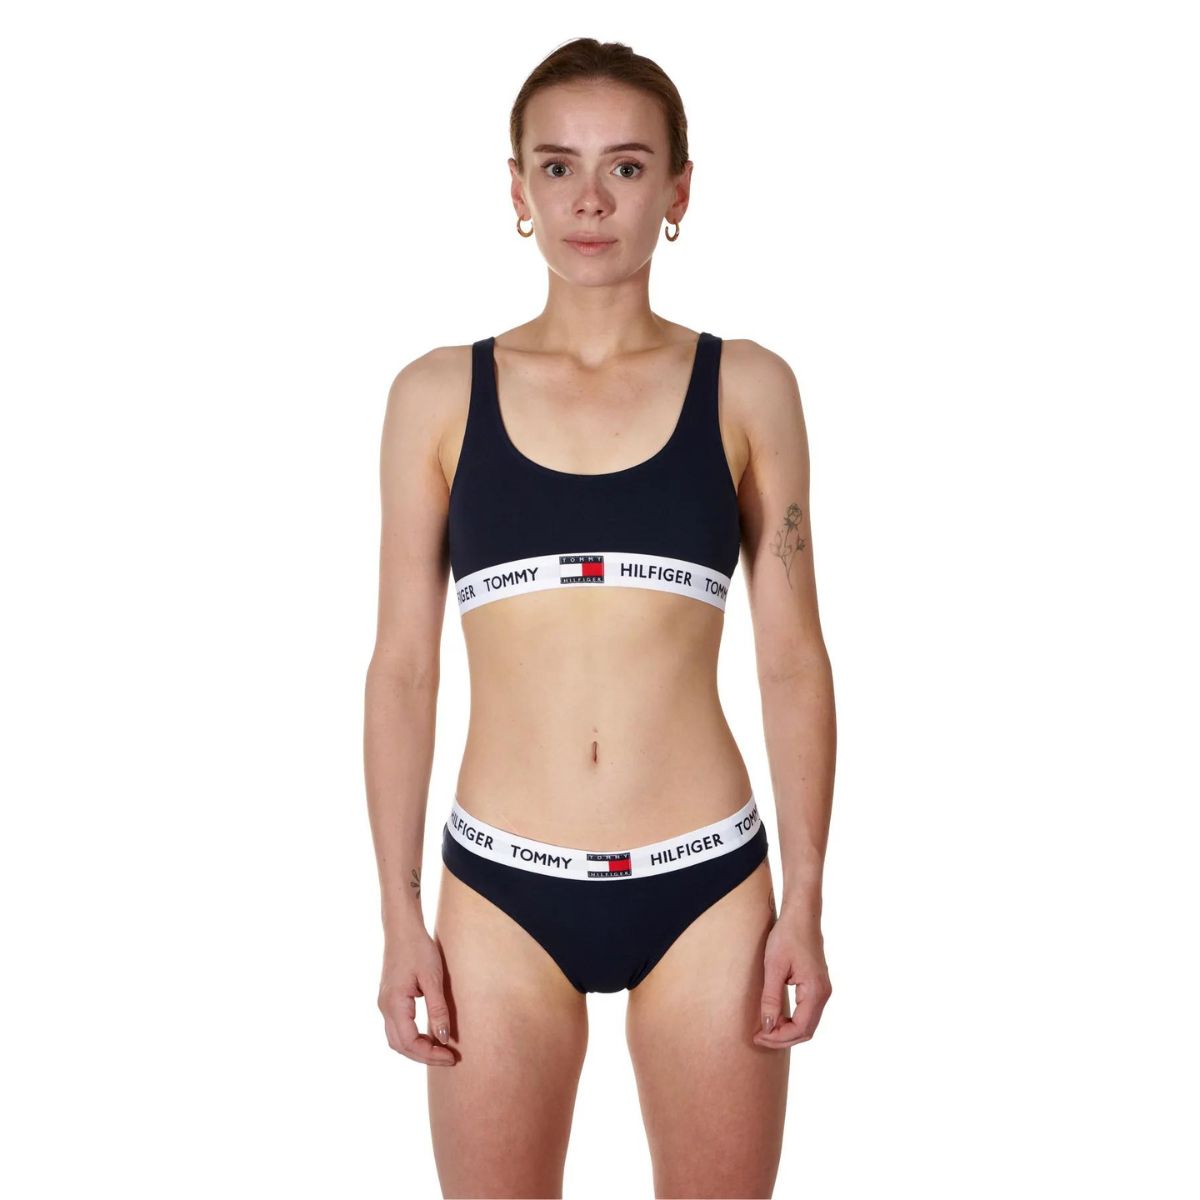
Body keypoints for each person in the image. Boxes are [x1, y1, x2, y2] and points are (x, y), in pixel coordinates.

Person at [363, 36, 836, 1200]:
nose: (589, 199)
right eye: (557, 166)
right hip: (499, 894)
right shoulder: (436, 394)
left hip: (708, 887)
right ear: (516, 189)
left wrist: (807, 904)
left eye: (626, 167)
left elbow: (792, 662)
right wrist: (398, 919)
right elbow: (403, 671)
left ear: (678, 191)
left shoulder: (749, 387)